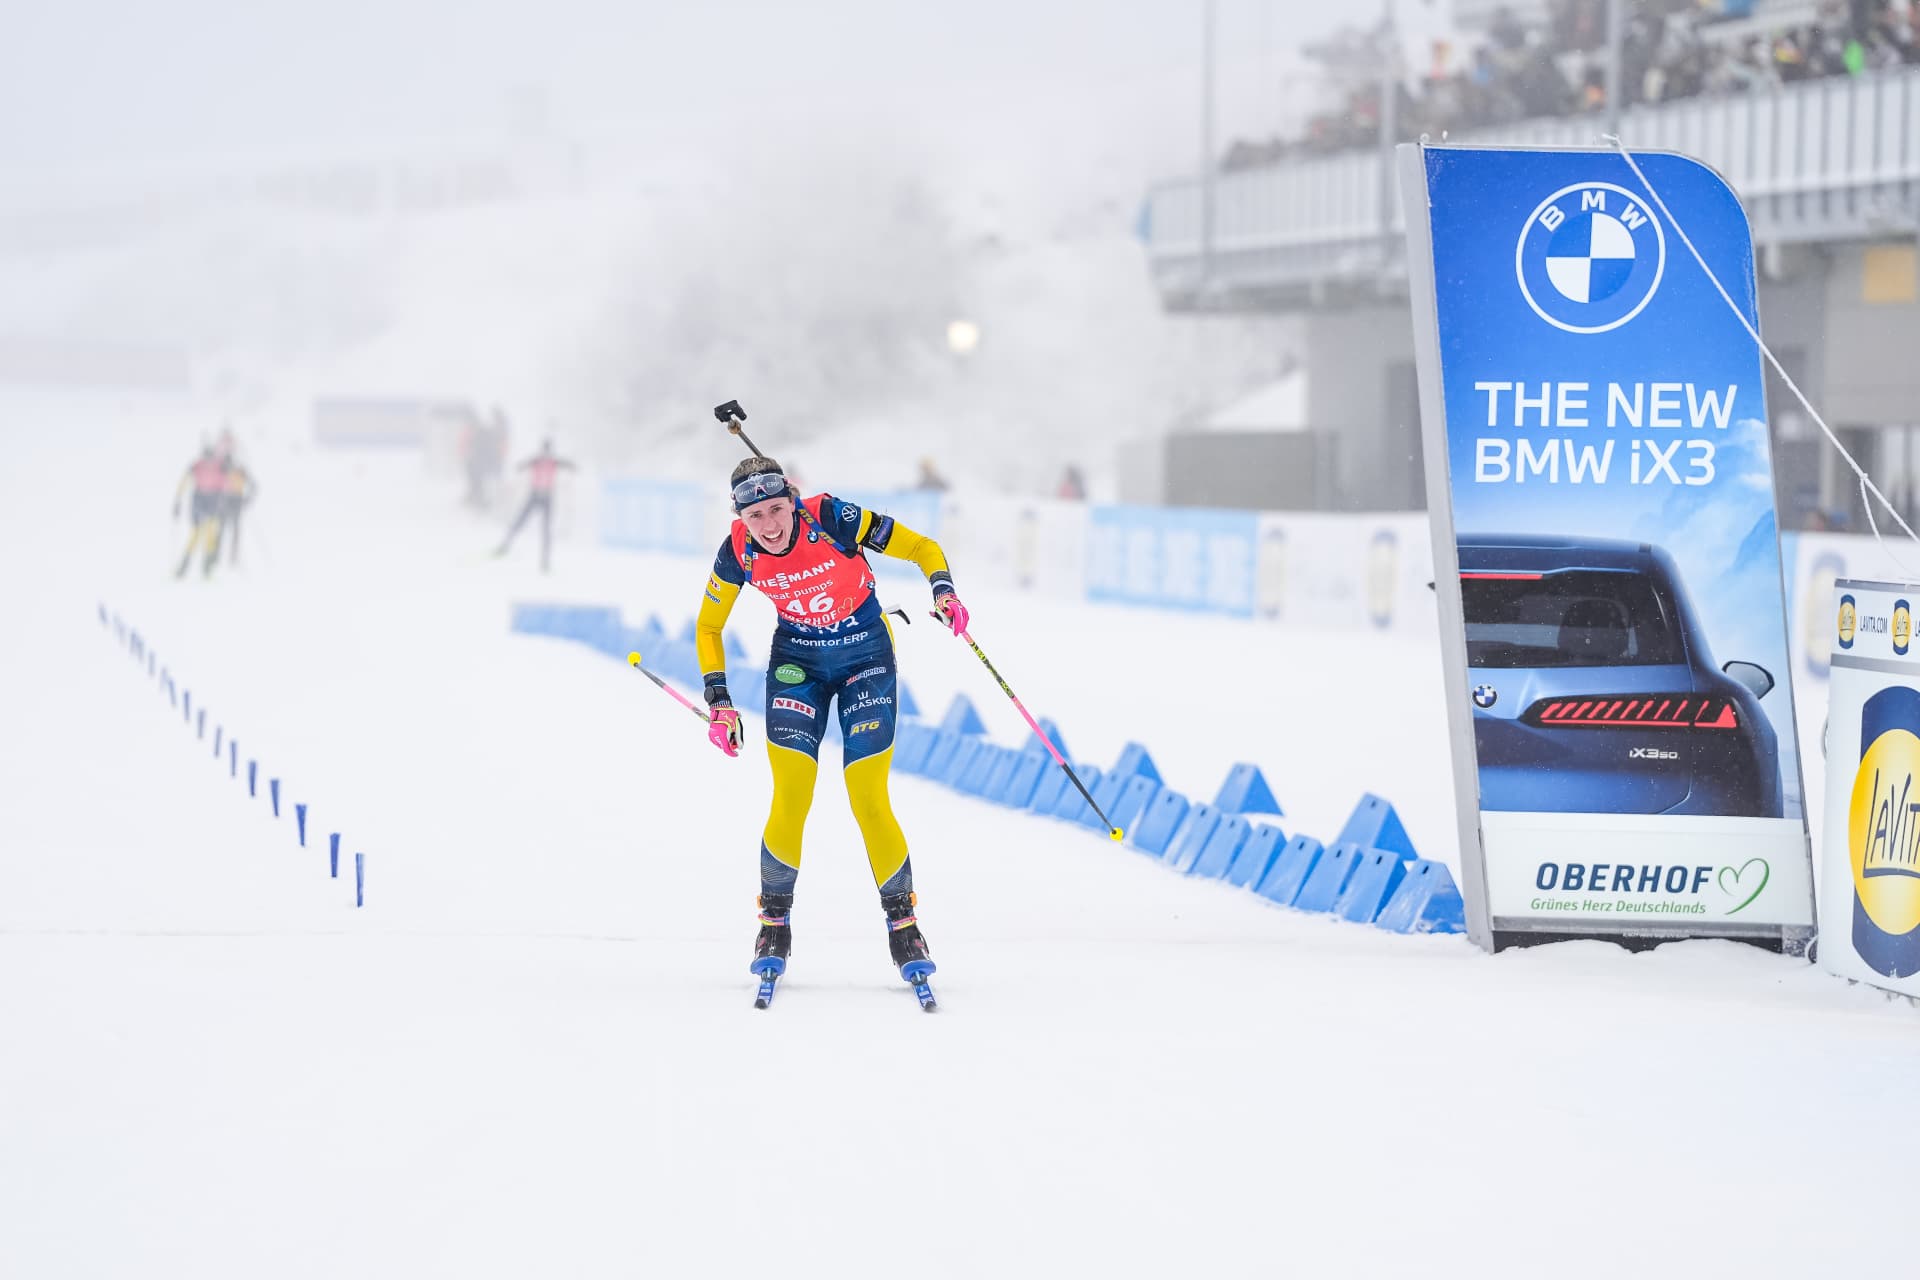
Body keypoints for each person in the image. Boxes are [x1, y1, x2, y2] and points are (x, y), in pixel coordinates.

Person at [695, 454, 969, 989]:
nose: (769, 526)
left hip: (867, 658)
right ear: (740, 517)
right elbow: (709, 626)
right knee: (791, 795)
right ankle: (773, 927)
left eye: (777, 509)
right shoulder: (738, 550)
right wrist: (719, 700)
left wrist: (943, 589)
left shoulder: (832, 517)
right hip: (797, 667)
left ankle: (905, 928)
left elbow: (921, 547)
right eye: (755, 516)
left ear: (792, 500)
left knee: (868, 796)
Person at [493, 438, 576, 571]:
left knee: (545, 529)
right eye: (544, 451)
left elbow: (567, 464)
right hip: (535, 495)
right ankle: (505, 546)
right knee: (520, 522)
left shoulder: (553, 462)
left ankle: (545, 561)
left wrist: (572, 466)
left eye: (547, 451)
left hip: (546, 497)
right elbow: (522, 465)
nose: (546, 454)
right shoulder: (537, 460)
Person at [171, 443, 229, 578]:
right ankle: (184, 566)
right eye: (206, 457)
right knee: (196, 533)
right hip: (200, 500)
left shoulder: (219, 467)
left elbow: (225, 485)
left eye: (210, 457)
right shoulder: (197, 466)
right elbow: (185, 481)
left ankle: (206, 567)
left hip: (213, 501)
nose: (208, 460)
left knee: (210, 533)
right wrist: (178, 500)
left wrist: (223, 501)